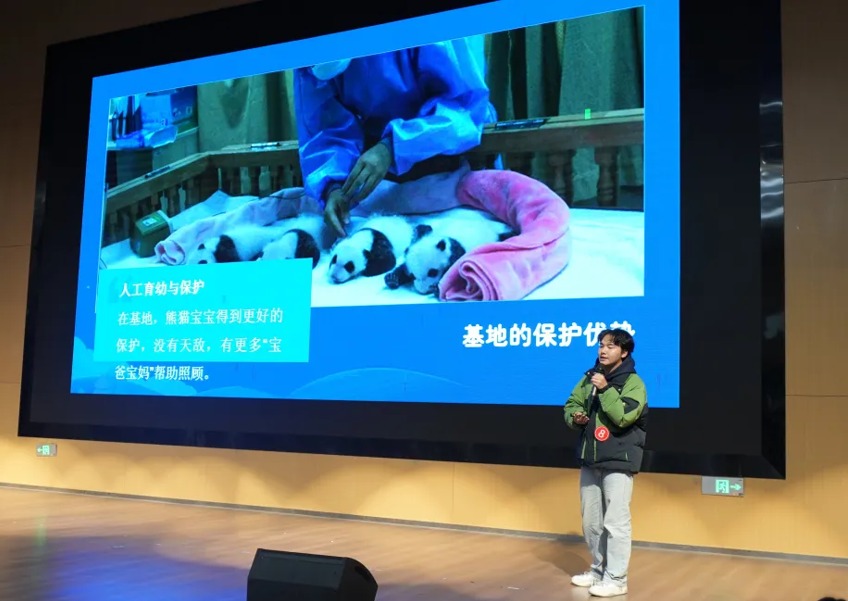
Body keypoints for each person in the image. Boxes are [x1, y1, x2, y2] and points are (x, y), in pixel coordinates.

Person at [292, 38, 497, 236]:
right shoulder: (306, 53)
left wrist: (392, 146)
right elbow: (323, 125)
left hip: (447, 153)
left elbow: (464, 107)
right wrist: (332, 185)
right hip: (375, 178)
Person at [562, 328, 648, 598]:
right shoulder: (590, 377)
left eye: (610, 346)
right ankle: (598, 571)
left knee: (616, 522)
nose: (603, 350)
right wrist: (575, 416)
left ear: (624, 352)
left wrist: (605, 388)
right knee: (591, 522)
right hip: (590, 458)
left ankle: (617, 579)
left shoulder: (634, 383)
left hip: (619, 461)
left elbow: (623, 416)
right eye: (601, 345)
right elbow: (571, 404)